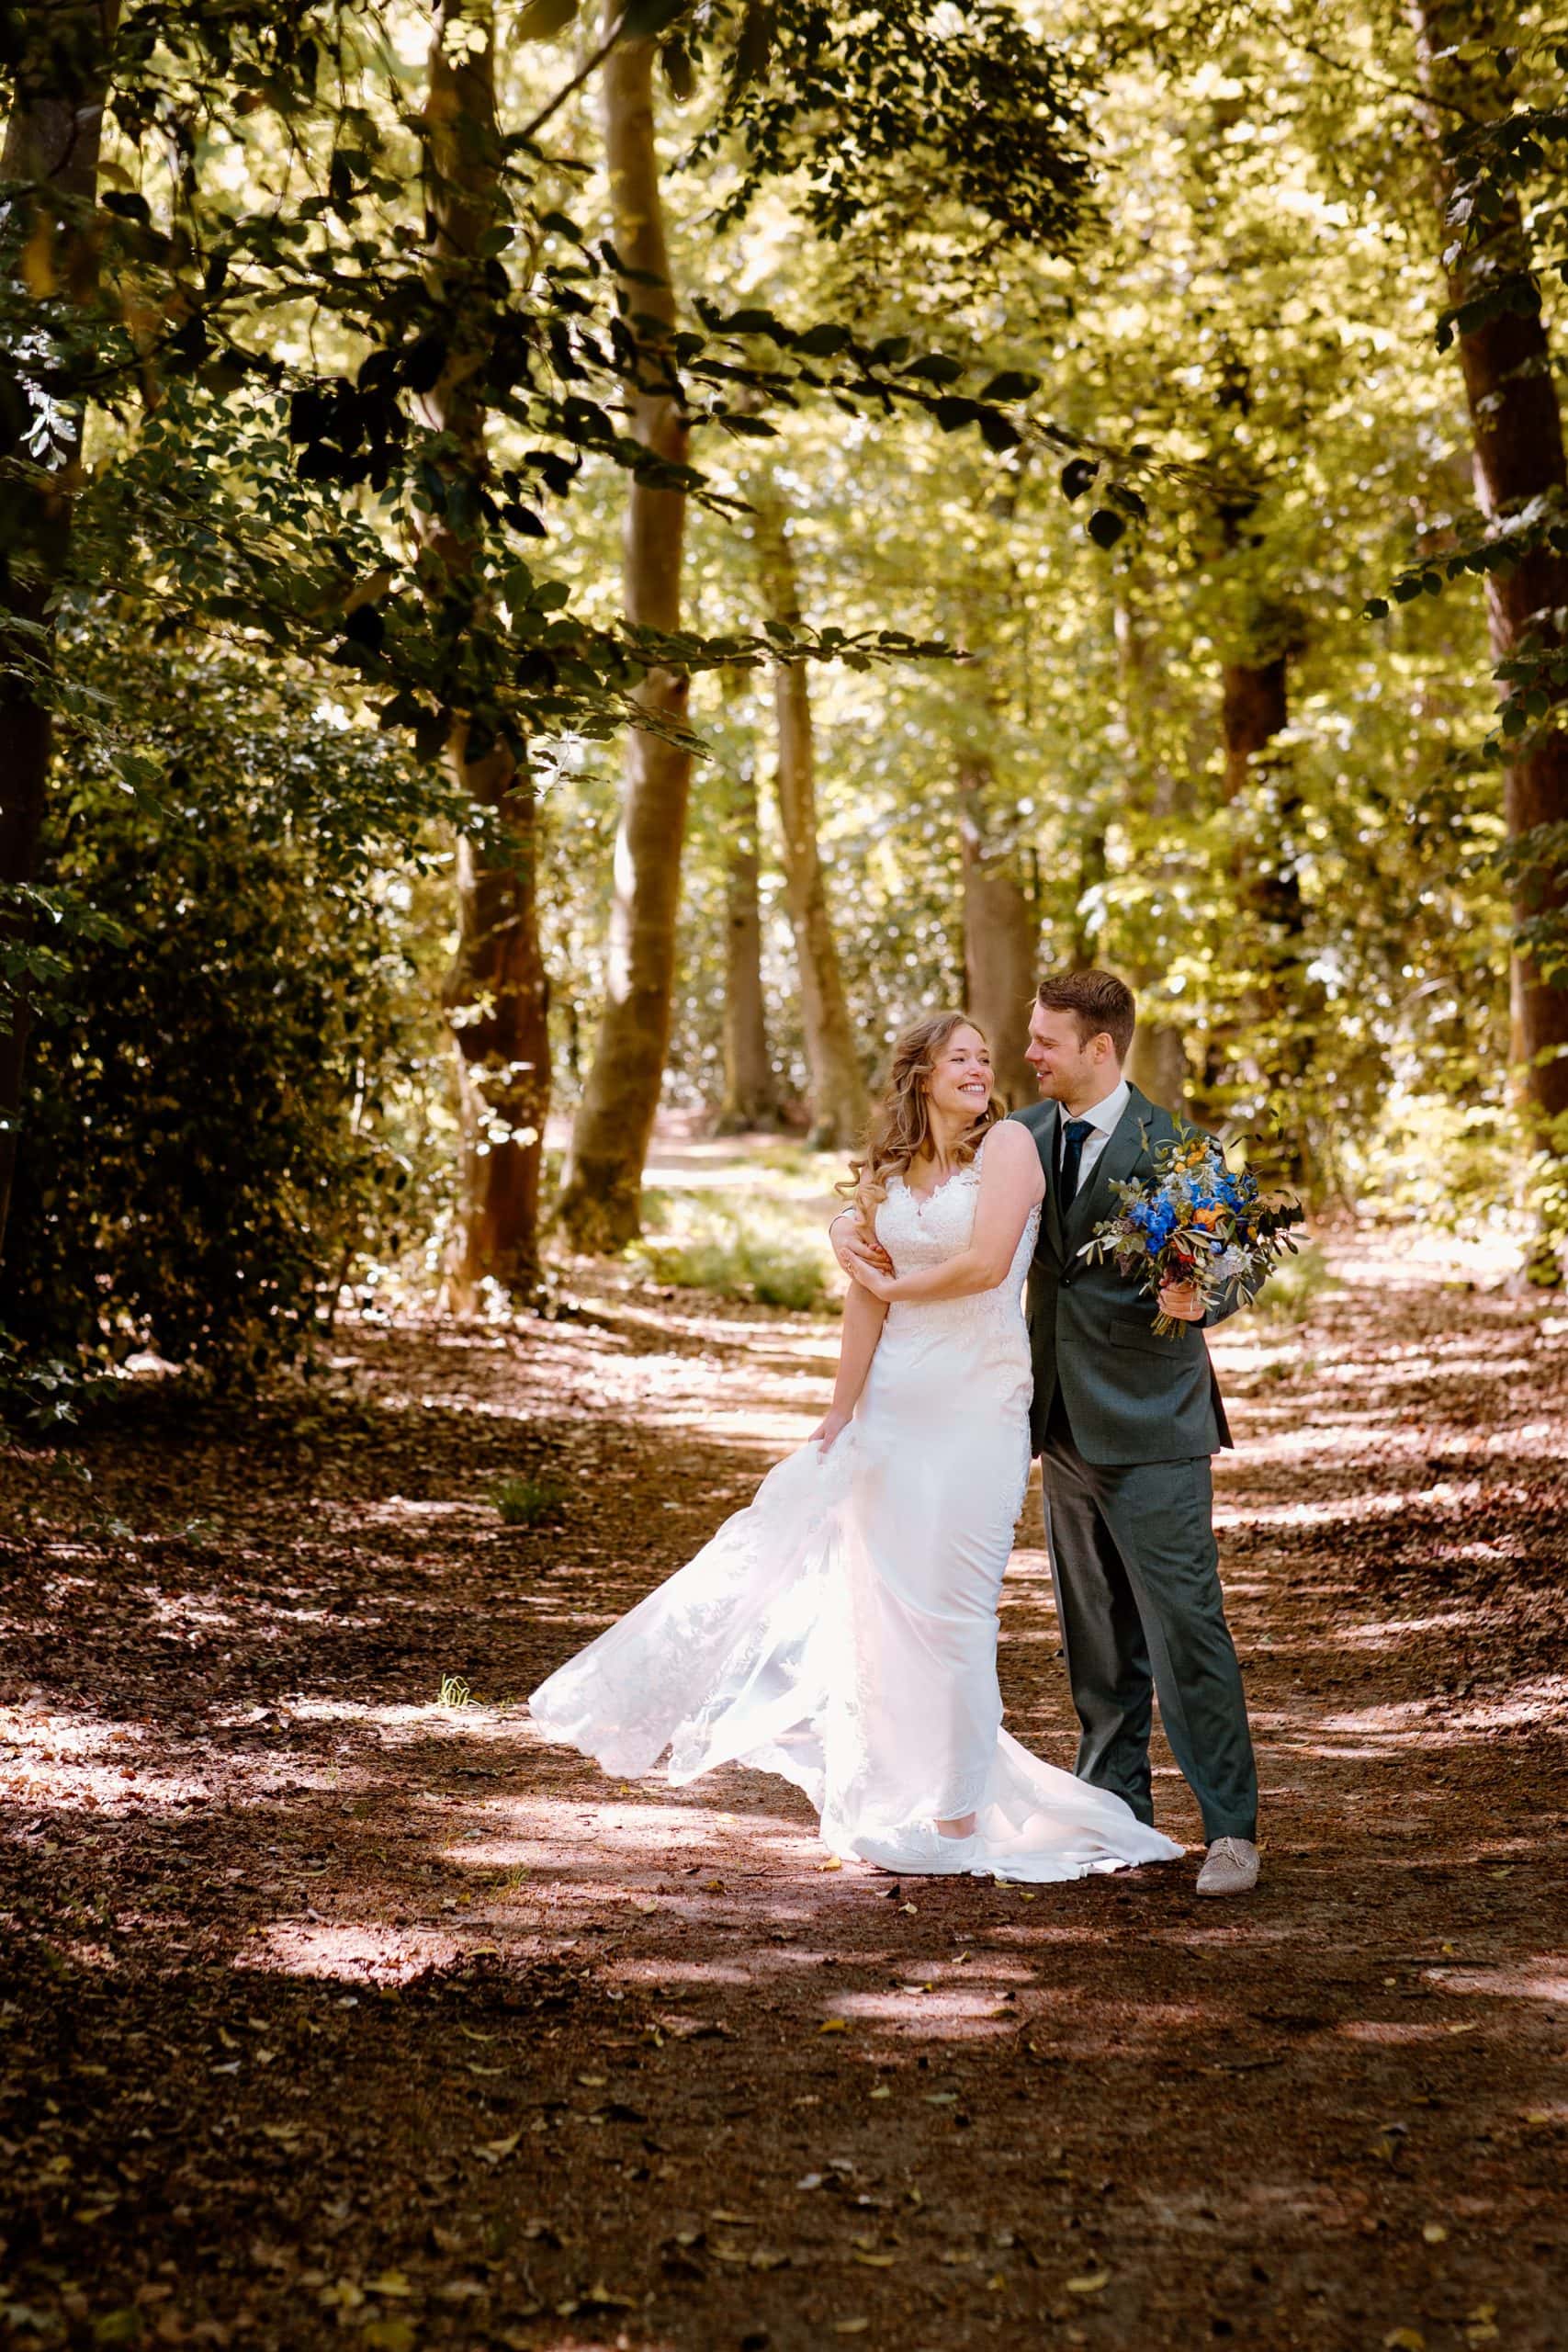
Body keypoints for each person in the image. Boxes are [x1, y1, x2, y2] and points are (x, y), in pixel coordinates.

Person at [529, 1011, 1178, 1883]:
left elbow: (986, 1267)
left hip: (980, 1406)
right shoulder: (884, 1176)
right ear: (919, 1074)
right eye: (961, 1058)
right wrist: (840, 1413)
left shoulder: (1013, 1150)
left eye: (987, 1058)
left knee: (957, 1615)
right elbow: (864, 1304)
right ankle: (905, 1798)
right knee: (884, 1614)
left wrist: (890, 1278)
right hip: (892, 1410)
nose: (981, 1070)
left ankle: (957, 1826)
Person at [831, 972, 1261, 1898]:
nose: (1027, 1056)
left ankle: (1231, 1829)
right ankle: (1116, 1808)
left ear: (1099, 1049)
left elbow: (1234, 1259)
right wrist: (842, 1222)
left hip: (1153, 1424)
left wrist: (1203, 1293)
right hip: (1053, 1418)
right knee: (1096, 1639)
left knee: (1185, 1628)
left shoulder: (1176, 1146)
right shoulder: (1015, 1136)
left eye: (1045, 1042)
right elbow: (915, 1173)